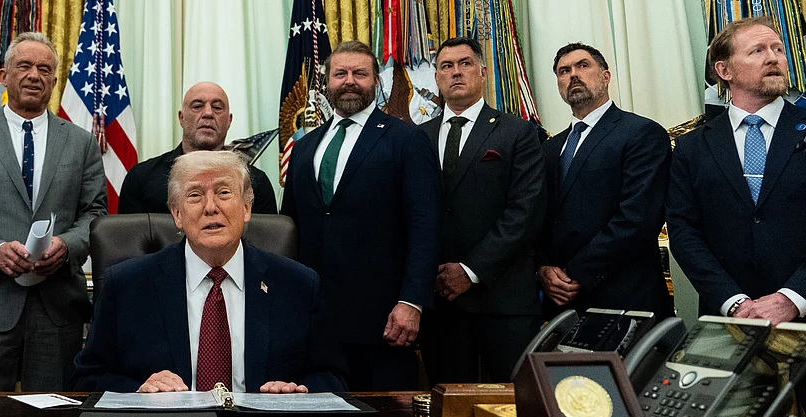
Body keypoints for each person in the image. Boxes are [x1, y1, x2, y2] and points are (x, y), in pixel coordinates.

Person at [71, 150, 346, 393]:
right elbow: (86, 379)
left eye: (224, 193)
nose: (211, 207)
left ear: (247, 208)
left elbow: (333, 376)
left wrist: (300, 390)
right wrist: (139, 389)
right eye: (195, 195)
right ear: (177, 214)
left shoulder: (298, 284)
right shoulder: (127, 285)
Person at [0, 32, 107, 391]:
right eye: (24, 66)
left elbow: (95, 213)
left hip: (57, 308)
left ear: (54, 82)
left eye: (44, 69)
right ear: (4, 76)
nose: (34, 75)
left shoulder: (81, 143)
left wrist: (68, 245)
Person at [281, 40, 442, 391]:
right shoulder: (306, 145)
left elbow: (425, 225)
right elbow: (288, 228)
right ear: (327, 83)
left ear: (376, 82)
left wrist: (411, 301)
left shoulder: (406, 140)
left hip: (383, 320)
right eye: (340, 74)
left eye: (360, 73)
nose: (349, 81)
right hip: (315, 319)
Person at [420, 37, 546, 384]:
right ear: (436, 78)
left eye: (465, 63)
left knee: (517, 407)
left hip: (503, 301)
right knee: (448, 416)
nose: (456, 72)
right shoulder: (417, 137)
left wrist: (471, 270)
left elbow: (525, 211)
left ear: (483, 72)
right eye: (446, 66)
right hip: (440, 303)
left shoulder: (518, 132)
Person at [668, 17, 806, 324]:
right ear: (724, 70)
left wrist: (793, 297)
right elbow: (683, 230)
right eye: (757, 51)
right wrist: (733, 302)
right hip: (728, 324)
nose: (773, 58)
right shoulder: (692, 147)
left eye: (778, 49)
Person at [537, 43, 672, 317]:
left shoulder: (642, 133)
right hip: (561, 305)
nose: (573, 75)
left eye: (583, 66)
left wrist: (578, 272)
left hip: (626, 298)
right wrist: (542, 269)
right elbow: (538, 218)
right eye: (564, 71)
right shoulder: (549, 149)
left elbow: (638, 218)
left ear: (605, 76)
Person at [117, 82, 277, 215]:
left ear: (229, 121)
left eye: (217, 108)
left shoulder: (256, 183)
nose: (208, 113)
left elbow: (265, 246)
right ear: (181, 118)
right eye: (197, 106)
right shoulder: (141, 178)